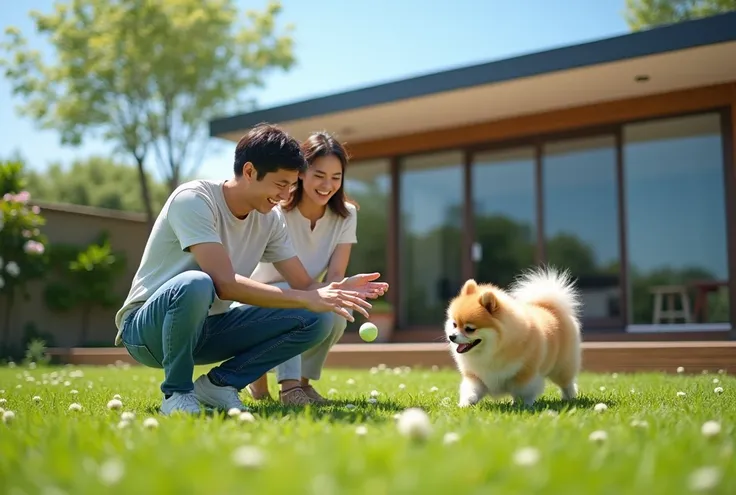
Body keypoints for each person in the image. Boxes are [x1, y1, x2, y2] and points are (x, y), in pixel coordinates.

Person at [113, 123, 388, 416]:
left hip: (209, 330)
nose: (285, 196)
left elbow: (304, 284)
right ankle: (178, 393)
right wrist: (304, 297)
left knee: (317, 319)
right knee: (197, 283)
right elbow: (225, 284)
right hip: (148, 332)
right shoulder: (194, 200)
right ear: (248, 171)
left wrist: (338, 290)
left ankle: (220, 384)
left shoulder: (269, 219)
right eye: (280, 184)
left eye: (292, 185)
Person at [246, 131, 362, 405]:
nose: (327, 185)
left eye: (336, 177)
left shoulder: (346, 214)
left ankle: (303, 383)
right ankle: (288, 388)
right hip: (262, 298)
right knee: (296, 297)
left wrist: (346, 289)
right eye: (319, 175)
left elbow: (334, 276)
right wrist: (322, 292)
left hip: (307, 292)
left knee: (337, 312)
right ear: (301, 172)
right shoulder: (278, 211)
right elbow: (295, 284)